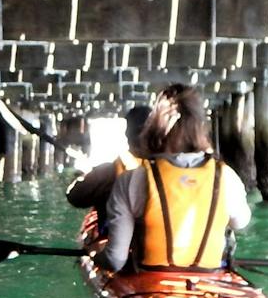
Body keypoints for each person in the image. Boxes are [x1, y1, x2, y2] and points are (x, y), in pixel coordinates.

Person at [101, 85, 250, 273]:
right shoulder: (227, 177)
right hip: (208, 280)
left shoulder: (132, 180)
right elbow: (240, 222)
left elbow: (115, 260)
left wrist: (95, 256)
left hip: (151, 280)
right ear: (200, 127)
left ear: (154, 126)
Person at [66, 104, 150, 217]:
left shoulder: (108, 173)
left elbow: (74, 196)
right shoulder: (165, 170)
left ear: (126, 134)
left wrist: (82, 175)